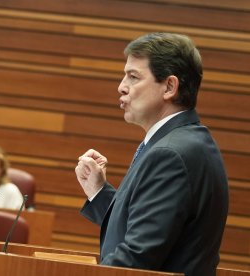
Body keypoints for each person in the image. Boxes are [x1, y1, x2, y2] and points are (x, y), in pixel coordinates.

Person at [75, 32, 228, 276]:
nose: (121, 87)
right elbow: (147, 225)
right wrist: (99, 192)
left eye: (133, 77)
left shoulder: (170, 154)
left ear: (169, 86)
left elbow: (137, 257)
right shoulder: (182, 142)